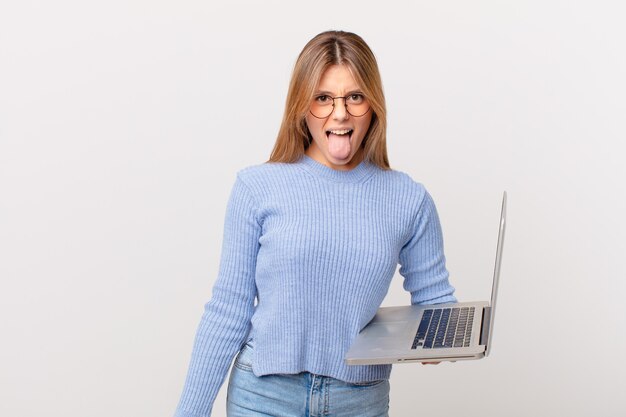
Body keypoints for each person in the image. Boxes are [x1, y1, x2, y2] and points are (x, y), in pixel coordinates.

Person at [174, 30, 456, 417]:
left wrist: (447, 338)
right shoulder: (257, 187)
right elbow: (227, 310)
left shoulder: (409, 199)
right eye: (323, 98)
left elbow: (435, 304)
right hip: (264, 397)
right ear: (301, 106)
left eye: (354, 97)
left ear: (373, 105)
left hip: (359, 400)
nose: (339, 113)